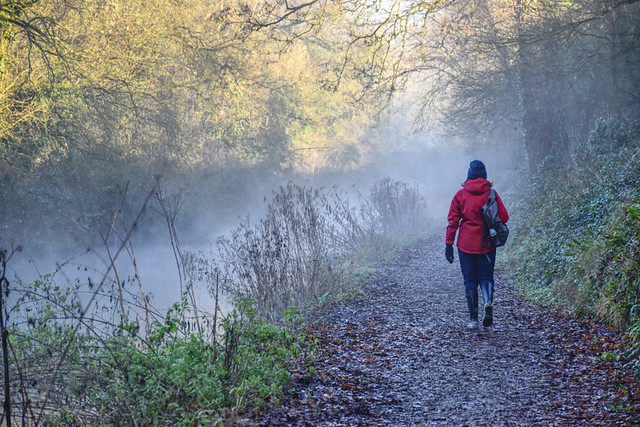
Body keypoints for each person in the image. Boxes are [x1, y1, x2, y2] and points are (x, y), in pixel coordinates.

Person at [445, 160, 509, 330]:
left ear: (469, 175)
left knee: (470, 280)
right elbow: (504, 217)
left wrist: (449, 244)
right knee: (486, 277)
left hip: (465, 245)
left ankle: (473, 319)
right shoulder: (491, 194)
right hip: (487, 243)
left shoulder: (460, 195)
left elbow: (453, 221)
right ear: (485, 175)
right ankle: (488, 302)